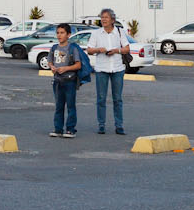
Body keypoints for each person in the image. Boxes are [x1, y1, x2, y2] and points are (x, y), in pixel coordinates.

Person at [85, 7, 131, 135]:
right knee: (101, 98)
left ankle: (119, 125)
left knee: (117, 99)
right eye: (102, 17)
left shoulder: (119, 32)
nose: (103, 20)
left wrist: (116, 51)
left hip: (117, 68)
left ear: (112, 20)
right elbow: (89, 50)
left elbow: (127, 48)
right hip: (102, 69)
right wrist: (99, 49)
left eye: (106, 17)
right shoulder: (96, 33)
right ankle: (101, 125)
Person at [46, 23, 87, 138]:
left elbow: (78, 65)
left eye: (62, 33)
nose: (59, 35)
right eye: (58, 33)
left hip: (70, 81)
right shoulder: (54, 48)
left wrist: (66, 68)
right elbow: (50, 61)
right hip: (57, 81)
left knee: (70, 105)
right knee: (59, 106)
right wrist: (52, 67)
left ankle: (70, 129)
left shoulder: (72, 48)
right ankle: (58, 128)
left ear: (68, 35)